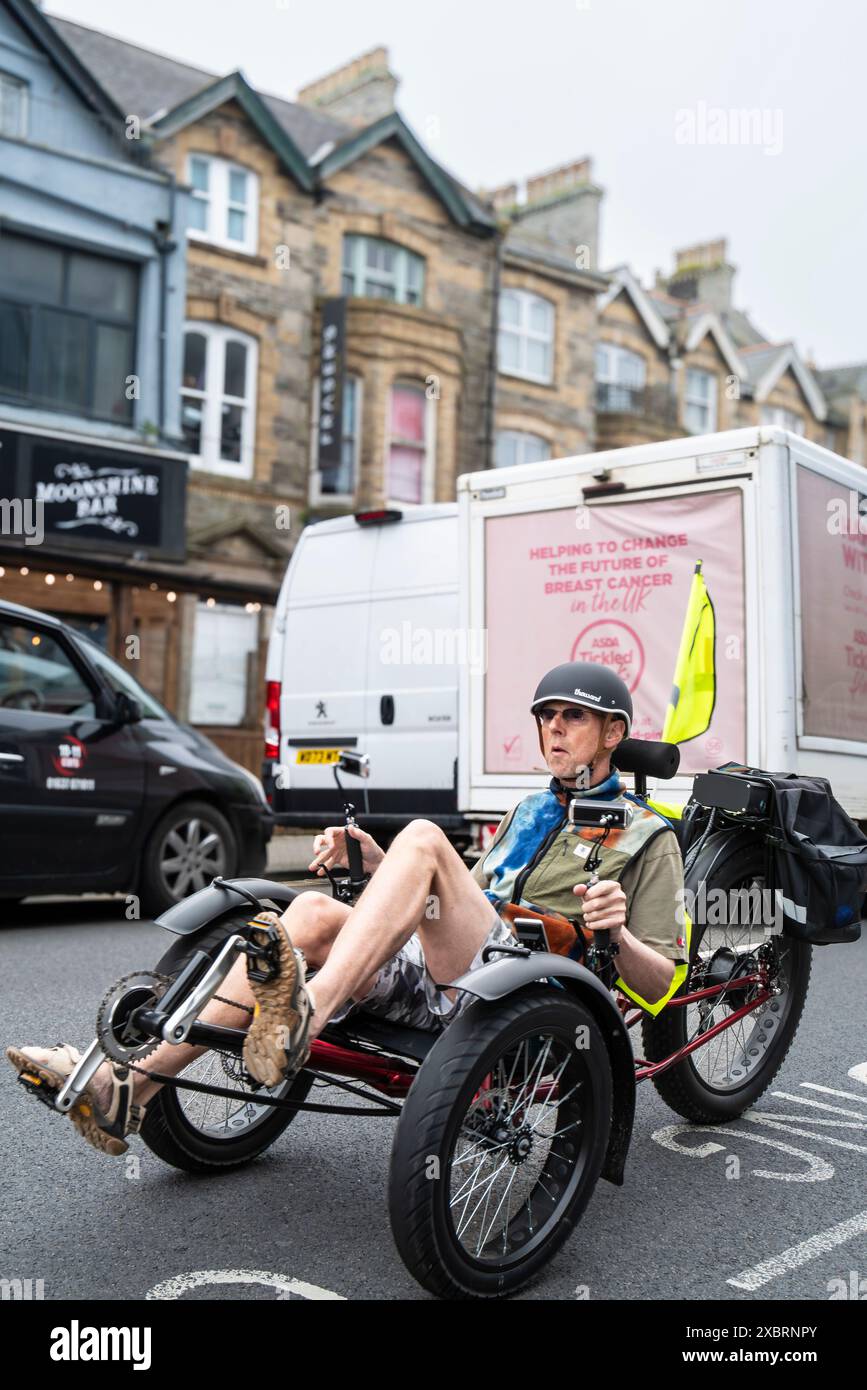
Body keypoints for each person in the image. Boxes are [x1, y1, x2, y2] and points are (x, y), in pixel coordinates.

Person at [7, 661, 687, 1156]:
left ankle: (309, 1010)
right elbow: (460, 904)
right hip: (458, 963)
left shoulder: (647, 835)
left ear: (611, 733)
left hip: (529, 989)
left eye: (572, 716)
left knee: (422, 836)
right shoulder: (528, 809)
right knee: (301, 914)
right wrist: (375, 859)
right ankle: (129, 1087)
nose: (553, 728)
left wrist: (617, 931)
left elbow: (661, 984)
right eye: (545, 715)